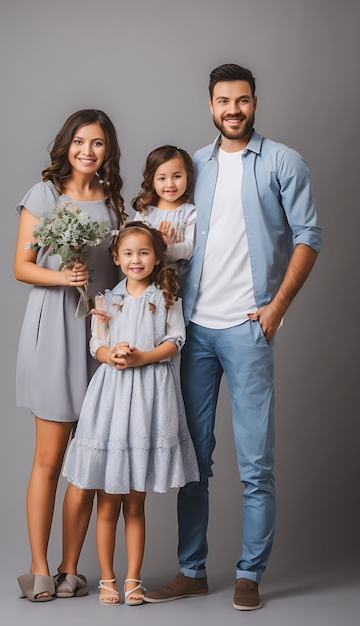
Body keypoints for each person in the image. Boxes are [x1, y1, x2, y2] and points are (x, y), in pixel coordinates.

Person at [143, 63, 322, 610]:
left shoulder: (284, 162)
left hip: (249, 330)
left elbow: (309, 235)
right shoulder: (193, 165)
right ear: (211, 105)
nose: (233, 110)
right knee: (193, 456)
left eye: (242, 101)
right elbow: (167, 238)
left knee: (255, 463)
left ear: (255, 103)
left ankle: (249, 574)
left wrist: (276, 310)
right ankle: (192, 570)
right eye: (223, 101)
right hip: (194, 331)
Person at [14, 109, 125, 602]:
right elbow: (21, 266)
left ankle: (70, 567)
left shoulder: (114, 203)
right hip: (54, 329)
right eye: (81, 141)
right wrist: (64, 276)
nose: (88, 151)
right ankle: (38, 567)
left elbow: (121, 274)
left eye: (98, 143)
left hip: (99, 334)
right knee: (50, 458)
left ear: (108, 150)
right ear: (67, 144)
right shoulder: (44, 195)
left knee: (90, 458)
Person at [62, 222, 200, 605]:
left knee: (135, 502)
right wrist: (113, 354)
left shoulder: (168, 296)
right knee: (108, 500)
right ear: (116, 258)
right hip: (112, 398)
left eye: (143, 252)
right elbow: (97, 345)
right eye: (128, 253)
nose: (135, 260)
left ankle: (133, 579)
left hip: (149, 399)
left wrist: (142, 357)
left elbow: (175, 340)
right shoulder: (106, 300)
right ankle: (108, 578)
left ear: (157, 257)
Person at [132, 145, 196, 279]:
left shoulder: (190, 213)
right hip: (143, 279)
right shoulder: (145, 212)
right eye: (162, 178)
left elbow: (190, 249)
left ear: (187, 177)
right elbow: (133, 241)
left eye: (177, 176)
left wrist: (166, 247)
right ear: (152, 180)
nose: (170, 184)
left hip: (174, 282)